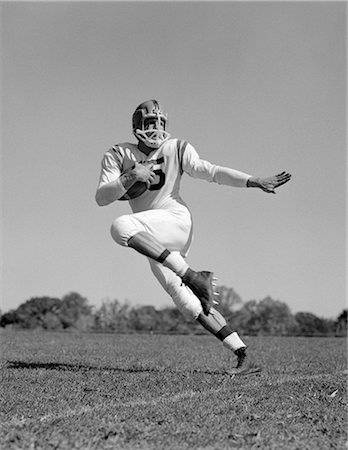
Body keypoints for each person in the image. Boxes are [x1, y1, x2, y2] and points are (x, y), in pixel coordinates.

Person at [95, 99, 291, 376]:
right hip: (150, 234)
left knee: (120, 227)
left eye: (161, 122)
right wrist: (130, 176)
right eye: (151, 122)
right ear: (137, 125)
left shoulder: (176, 147)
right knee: (188, 304)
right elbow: (102, 197)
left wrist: (253, 180)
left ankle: (194, 276)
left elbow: (210, 172)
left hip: (174, 221)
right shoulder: (118, 153)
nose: (157, 128)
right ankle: (243, 354)